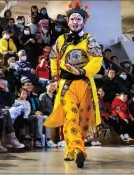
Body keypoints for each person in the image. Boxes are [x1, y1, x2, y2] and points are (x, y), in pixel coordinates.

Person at [44, 1, 103, 168]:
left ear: (83, 22)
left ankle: (71, 147)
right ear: (68, 21)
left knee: (82, 120)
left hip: (84, 83)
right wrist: (55, 76)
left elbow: (97, 60)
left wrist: (82, 71)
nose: (75, 22)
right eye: (72, 19)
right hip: (67, 84)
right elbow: (53, 58)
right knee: (70, 116)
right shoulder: (61, 39)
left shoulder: (90, 39)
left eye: (78, 19)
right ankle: (79, 151)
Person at [39, 80, 57, 147]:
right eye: (51, 86)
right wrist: (52, 113)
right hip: (47, 114)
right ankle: (49, 139)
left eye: (54, 86)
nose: (52, 87)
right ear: (46, 86)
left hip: (55, 114)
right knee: (47, 118)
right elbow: (43, 109)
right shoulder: (42, 96)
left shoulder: (56, 96)